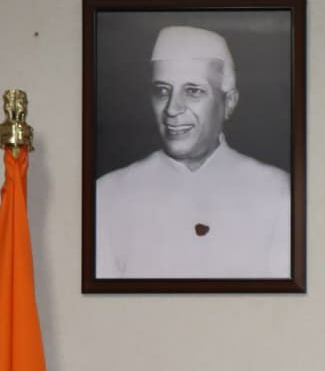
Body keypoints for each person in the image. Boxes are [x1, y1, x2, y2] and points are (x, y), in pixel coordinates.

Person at [95, 25, 290, 279]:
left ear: (229, 102)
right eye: (162, 91)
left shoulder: (277, 192)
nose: (172, 109)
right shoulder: (108, 194)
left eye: (193, 91)